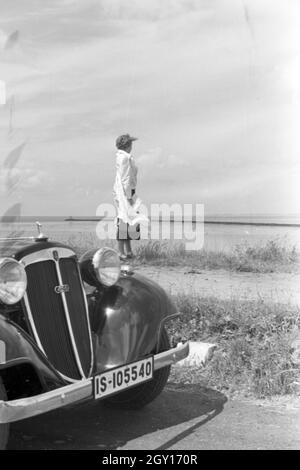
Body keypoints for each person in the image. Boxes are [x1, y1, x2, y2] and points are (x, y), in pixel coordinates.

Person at [113, 134, 147, 260]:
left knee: (129, 221)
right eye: (131, 143)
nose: (132, 146)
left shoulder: (121, 157)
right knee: (124, 221)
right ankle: (121, 252)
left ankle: (128, 251)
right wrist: (128, 196)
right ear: (127, 145)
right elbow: (126, 178)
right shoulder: (125, 158)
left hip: (124, 191)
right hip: (126, 192)